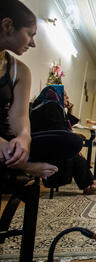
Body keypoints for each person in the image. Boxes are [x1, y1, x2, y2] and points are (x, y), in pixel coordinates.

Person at [0, 0, 58, 179]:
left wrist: (24, 138)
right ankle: (21, 165)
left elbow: (19, 117)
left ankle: (14, 160)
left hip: (5, 137)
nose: (33, 43)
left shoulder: (20, 71)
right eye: (30, 34)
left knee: (69, 142)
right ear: (8, 26)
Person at [30, 86, 96, 195]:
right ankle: (91, 184)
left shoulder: (50, 105)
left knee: (76, 155)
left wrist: (70, 109)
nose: (68, 99)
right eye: (65, 96)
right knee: (76, 152)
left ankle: (91, 184)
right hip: (47, 149)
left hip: (51, 144)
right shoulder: (51, 106)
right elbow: (60, 131)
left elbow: (63, 127)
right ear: (57, 96)